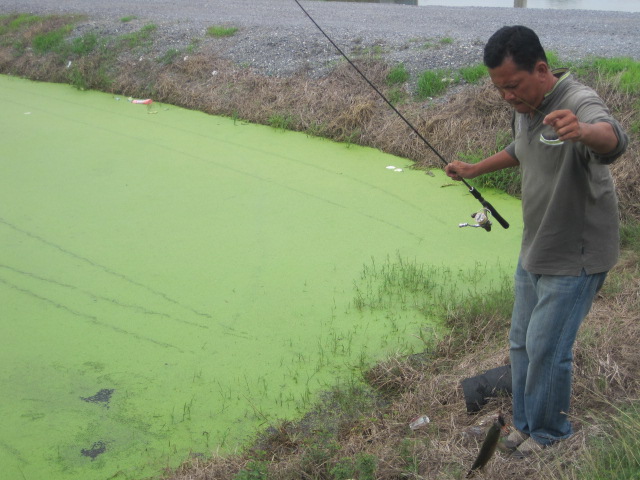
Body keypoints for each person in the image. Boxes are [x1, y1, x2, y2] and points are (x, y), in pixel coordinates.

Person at [445, 26, 628, 456]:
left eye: (512, 85)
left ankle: (550, 436)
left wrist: (582, 131)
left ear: (541, 69)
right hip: (537, 247)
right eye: (498, 88)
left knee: (548, 350)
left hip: (577, 255)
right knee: (522, 343)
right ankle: (524, 426)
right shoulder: (526, 105)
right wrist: (474, 169)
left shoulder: (576, 101)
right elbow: (520, 148)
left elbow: (614, 138)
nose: (506, 96)